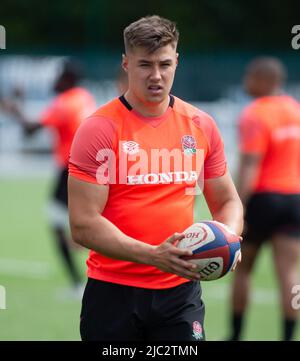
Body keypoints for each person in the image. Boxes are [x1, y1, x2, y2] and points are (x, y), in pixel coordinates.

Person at [68, 15, 243, 341]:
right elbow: (83, 225)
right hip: (113, 292)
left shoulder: (201, 125)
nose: (156, 75)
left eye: (165, 64)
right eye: (144, 64)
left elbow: (228, 200)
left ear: (177, 60)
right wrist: (153, 255)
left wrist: (229, 237)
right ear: (126, 64)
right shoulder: (99, 129)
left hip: (180, 295)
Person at [7, 59, 96, 293]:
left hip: (70, 170)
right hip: (91, 168)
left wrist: (14, 106)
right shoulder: (84, 97)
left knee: (59, 223)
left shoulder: (64, 103)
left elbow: (29, 129)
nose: (53, 81)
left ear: (66, 79)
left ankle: (78, 284)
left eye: (57, 76)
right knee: (86, 223)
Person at [228, 57, 300, 341]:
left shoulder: (255, 113)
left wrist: (238, 208)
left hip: (263, 198)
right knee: (289, 274)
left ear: (263, 80)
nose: (246, 81)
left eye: (249, 76)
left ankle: (235, 335)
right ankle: (288, 336)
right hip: (294, 198)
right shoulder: (295, 110)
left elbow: (250, 166)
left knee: (243, 269)